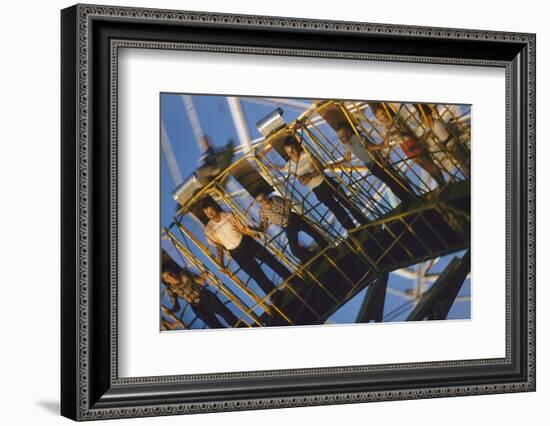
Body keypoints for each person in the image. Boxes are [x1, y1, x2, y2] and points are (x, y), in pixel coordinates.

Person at [202, 198, 295, 299]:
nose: (210, 215)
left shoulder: (228, 215)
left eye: (211, 211)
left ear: (215, 207)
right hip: (237, 253)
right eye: (207, 213)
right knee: (257, 275)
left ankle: (293, 279)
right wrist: (221, 263)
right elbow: (219, 247)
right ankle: (276, 296)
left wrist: (253, 234)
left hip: (247, 242)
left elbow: (242, 227)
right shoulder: (208, 230)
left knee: (270, 260)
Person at [276, 136, 369, 231]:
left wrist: (310, 176)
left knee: (346, 202)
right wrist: (303, 180)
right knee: (336, 210)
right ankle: (353, 230)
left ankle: (366, 223)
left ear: (296, 147)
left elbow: (320, 167)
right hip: (317, 190)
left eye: (293, 150)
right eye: (288, 153)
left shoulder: (307, 154)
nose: (292, 154)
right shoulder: (289, 166)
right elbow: (299, 179)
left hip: (326, 182)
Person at [334, 121, 415, 202]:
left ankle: (412, 196)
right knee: (390, 183)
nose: (341, 138)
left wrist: (383, 144)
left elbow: (374, 147)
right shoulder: (345, 145)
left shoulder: (358, 138)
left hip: (377, 162)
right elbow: (348, 159)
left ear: (348, 132)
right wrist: (336, 164)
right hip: (371, 166)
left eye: (342, 135)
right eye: (340, 136)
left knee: (396, 179)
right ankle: (405, 199)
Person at [371, 103, 446, 187]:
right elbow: (386, 143)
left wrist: (396, 133)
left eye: (383, 113)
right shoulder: (385, 128)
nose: (383, 116)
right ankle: (440, 183)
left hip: (411, 142)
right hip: (405, 147)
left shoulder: (396, 119)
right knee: (425, 167)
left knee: (429, 164)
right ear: (378, 118)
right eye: (380, 116)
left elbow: (406, 132)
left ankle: (443, 182)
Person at [255, 190, 328, 264]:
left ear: (266, 196)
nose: (264, 201)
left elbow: (286, 207)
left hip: (294, 219)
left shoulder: (275, 199)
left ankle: (327, 249)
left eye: (264, 198)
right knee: (294, 251)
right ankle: (313, 258)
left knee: (314, 233)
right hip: (287, 227)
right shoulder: (262, 211)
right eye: (261, 201)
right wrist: (259, 228)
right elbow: (263, 223)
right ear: (259, 202)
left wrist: (285, 218)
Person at [161, 262, 239, 329]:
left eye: (171, 273)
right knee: (214, 326)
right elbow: (177, 307)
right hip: (197, 307)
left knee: (227, 314)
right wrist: (171, 311)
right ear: (167, 281)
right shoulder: (171, 290)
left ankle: (241, 327)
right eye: (168, 277)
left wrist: (203, 276)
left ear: (174, 272)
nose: (171, 277)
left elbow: (200, 281)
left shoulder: (185, 274)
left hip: (205, 297)